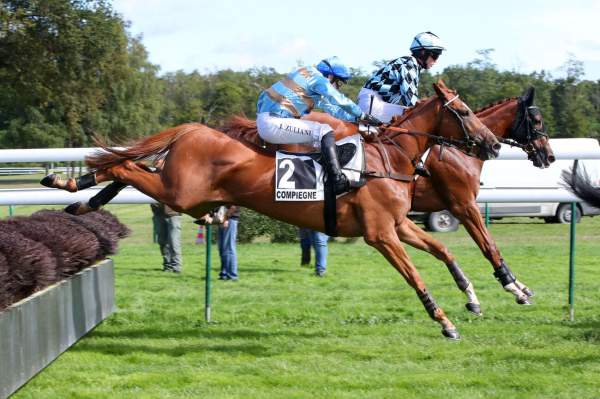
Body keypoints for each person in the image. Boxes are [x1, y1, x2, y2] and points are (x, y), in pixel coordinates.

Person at [256, 56, 383, 195]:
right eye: (339, 83)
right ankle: (337, 180)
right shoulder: (318, 79)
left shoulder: (305, 75)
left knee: (320, 136)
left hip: (267, 121)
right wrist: (362, 115)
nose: (338, 87)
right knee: (324, 131)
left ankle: (319, 176)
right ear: (330, 76)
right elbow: (338, 99)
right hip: (275, 123)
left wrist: (359, 119)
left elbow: (333, 109)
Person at [358, 32, 445, 123]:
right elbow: (411, 101)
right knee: (417, 116)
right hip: (372, 103)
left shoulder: (411, 65)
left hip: (376, 103)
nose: (436, 61)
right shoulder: (409, 64)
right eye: (435, 56)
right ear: (423, 52)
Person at [151, 201, 183, 274]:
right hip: (158, 214)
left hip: (173, 215)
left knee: (174, 242)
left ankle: (177, 267)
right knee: (162, 242)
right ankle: (167, 266)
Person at [217, 205, 240, 281]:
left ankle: (232, 276)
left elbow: (234, 206)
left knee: (229, 248)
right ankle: (224, 274)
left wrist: (226, 218)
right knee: (222, 249)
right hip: (222, 219)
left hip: (230, 219)